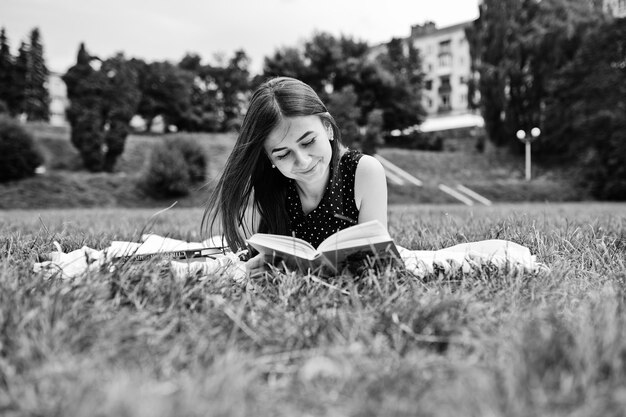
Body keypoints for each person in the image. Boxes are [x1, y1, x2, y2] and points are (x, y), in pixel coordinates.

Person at [202, 76, 388, 275]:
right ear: (269, 158)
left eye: (308, 142)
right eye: (282, 154)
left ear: (327, 128)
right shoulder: (275, 183)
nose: (303, 161)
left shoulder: (364, 171)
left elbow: (378, 261)